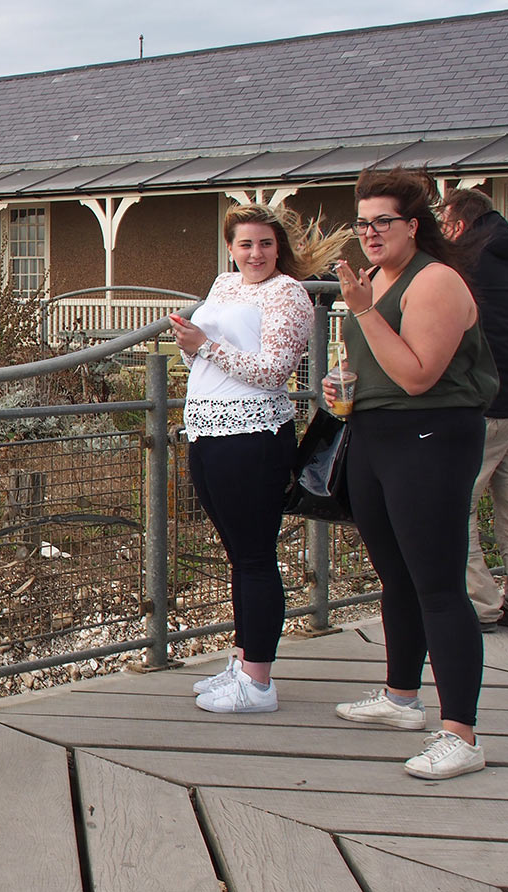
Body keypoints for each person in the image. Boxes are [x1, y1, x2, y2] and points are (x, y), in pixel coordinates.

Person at [325, 167, 498, 779]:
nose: (369, 233)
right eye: (362, 223)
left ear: (413, 226)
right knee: (394, 574)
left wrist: (365, 313)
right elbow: (374, 362)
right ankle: (402, 698)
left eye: (382, 222)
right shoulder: (375, 279)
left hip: (432, 436)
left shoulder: (437, 281)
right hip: (375, 432)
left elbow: (420, 374)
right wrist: (341, 385)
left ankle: (462, 734)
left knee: (439, 586)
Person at [172, 204, 349, 714]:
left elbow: (275, 371)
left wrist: (205, 345)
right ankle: (246, 660)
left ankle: (260, 682)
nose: (255, 254)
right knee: (237, 553)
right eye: (246, 244)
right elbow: (197, 357)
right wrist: (192, 344)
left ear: (280, 248)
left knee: (254, 556)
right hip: (207, 428)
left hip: (254, 434)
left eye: (265, 244)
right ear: (230, 247)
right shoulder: (223, 285)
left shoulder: (289, 293)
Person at [441, 189, 508, 632]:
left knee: (458, 505)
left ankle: (480, 604)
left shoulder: (465, 263)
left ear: (458, 223)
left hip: (485, 401)